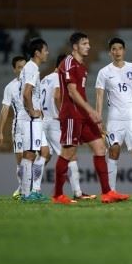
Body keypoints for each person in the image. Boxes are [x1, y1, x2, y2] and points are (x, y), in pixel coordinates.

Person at [54, 32, 129, 204]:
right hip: (72, 114)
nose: (88, 46)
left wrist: (90, 115)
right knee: (68, 152)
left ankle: (107, 193)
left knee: (100, 147)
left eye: (88, 43)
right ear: (75, 46)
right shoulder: (68, 63)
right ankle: (58, 195)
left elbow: (80, 93)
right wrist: (92, 111)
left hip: (83, 114)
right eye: (84, 43)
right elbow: (71, 92)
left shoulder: (82, 66)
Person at [95, 38, 132, 198]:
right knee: (113, 151)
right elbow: (99, 96)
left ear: (124, 50)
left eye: (119, 48)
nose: (117, 52)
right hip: (115, 119)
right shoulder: (104, 72)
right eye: (114, 49)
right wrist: (98, 119)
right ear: (110, 52)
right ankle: (111, 191)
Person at [40, 55, 94, 200]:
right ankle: (77, 193)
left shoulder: (45, 79)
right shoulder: (59, 77)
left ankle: (31, 189)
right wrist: (62, 115)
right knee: (70, 155)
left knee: (44, 156)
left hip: (44, 120)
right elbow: (57, 96)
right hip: (55, 121)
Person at [14, 38, 51, 202]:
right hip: (29, 118)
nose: (47, 53)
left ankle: (34, 190)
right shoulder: (31, 68)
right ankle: (26, 194)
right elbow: (26, 93)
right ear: (37, 52)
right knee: (29, 154)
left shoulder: (31, 68)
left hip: (33, 118)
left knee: (45, 152)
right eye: (45, 50)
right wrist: (32, 111)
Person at [0, 56, 26, 199]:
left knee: (32, 157)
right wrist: (0, 131)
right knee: (20, 160)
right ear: (14, 69)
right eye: (19, 67)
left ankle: (30, 189)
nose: (22, 70)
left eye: (24, 67)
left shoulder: (34, 84)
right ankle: (21, 188)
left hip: (35, 124)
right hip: (19, 126)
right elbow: (5, 109)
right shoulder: (10, 87)